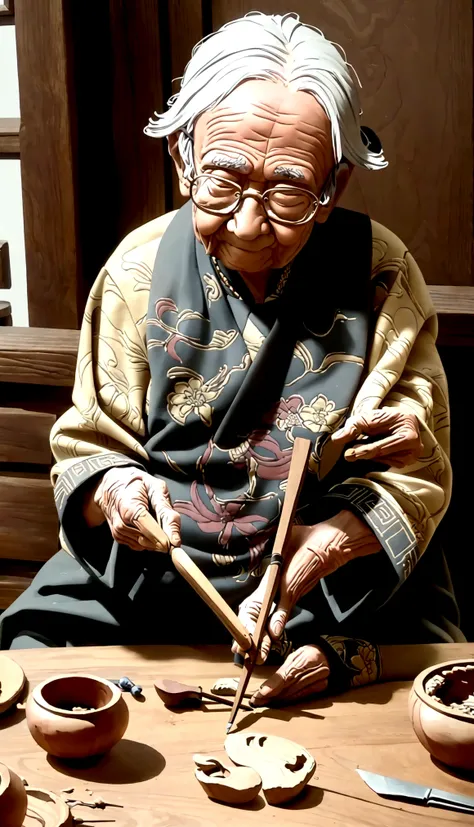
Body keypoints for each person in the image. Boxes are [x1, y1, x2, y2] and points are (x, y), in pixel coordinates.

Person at [0, 12, 463, 705]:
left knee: (430, 672)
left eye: (287, 192)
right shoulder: (138, 267)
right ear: (183, 155)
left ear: (333, 186)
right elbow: (91, 441)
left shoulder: (382, 271)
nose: (249, 225)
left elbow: (416, 466)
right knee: (25, 658)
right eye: (222, 181)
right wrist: (120, 493)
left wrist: (327, 545)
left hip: (328, 578)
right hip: (161, 567)